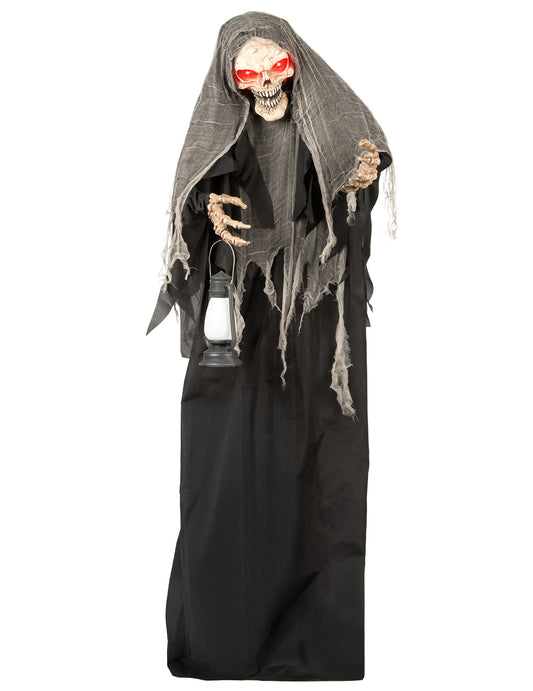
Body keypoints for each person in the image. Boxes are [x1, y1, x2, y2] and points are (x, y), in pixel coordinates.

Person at [147, 11, 396, 681]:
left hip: (313, 322)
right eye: (248, 70)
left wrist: (359, 181)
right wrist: (205, 210)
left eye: (275, 64)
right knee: (226, 468)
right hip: (238, 326)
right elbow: (187, 204)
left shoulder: (329, 118)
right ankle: (225, 638)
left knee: (318, 463)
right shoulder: (216, 133)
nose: (264, 81)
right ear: (230, 78)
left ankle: (311, 641)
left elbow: (360, 167)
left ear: (294, 61)